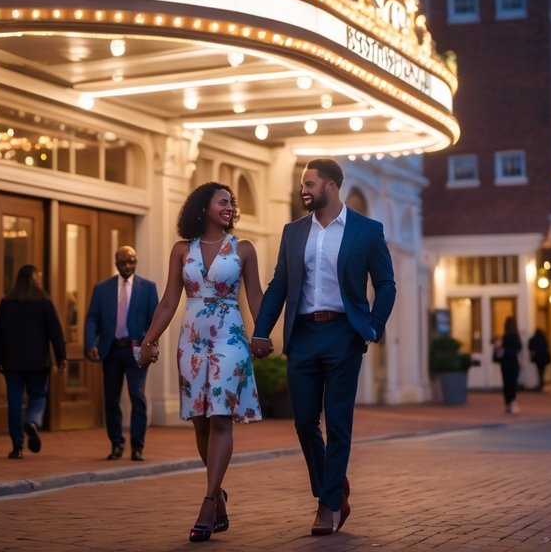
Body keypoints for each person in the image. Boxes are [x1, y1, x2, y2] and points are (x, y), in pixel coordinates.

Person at [250, 158, 396, 536]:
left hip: (344, 334)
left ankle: (328, 505)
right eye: (303, 184)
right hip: (303, 335)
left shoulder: (366, 230)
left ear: (330, 186)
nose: (304, 190)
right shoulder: (294, 231)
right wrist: (262, 331)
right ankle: (332, 486)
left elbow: (386, 284)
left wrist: (373, 328)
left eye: (310, 184)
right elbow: (279, 284)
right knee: (302, 421)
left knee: (339, 422)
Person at [138, 182, 264, 543]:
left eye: (231, 203)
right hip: (191, 340)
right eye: (222, 201)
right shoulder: (182, 251)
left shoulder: (243, 249)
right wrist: (149, 340)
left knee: (221, 416)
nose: (229, 207)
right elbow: (167, 302)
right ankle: (219, 493)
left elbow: (254, 295)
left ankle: (208, 503)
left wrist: (264, 334)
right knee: (200, 422)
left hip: (230, 338)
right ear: (203, 206)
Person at [84, 245, 159, 461]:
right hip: (112, 350)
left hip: (136, 350)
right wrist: (90, 343)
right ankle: (116, 444)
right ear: (116, 263)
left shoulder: (148, 287)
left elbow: (156, 319)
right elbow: (92, 318)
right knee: (112, 399)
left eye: (132, 261)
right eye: (124, 262)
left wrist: (151, 345)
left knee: (137, 395)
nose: (128, 266)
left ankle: (138, 446)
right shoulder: (102, 289)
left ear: (136, 262)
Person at [0, 264, 67, 459]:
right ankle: (33, 421)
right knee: (39, 394)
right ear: (33, 279)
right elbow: (55, 332)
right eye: (39, 278)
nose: (40, 281)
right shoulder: (44, 301)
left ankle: (17, 446)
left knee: (14, 402)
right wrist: (61, 357)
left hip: (12, 362)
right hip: (37, 361)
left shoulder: (6, 302)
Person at [493, 316, 523, 414]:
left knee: (506, 383)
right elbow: (519, 349)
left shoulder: (504, 338)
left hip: (504, 363)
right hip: (513, 363)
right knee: (512, 383)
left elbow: (498, 350)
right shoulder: (516, 337)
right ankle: (512, 402)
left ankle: (507, 404)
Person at [527, 328, 551, 392]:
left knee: (539, 371)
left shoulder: (534, 339)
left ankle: (540, 384)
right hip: (544, 358)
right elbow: (547, 346)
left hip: (538, 358)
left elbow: (530, 347)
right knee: (542, 371)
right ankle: (541, 384)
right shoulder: (544, 339)